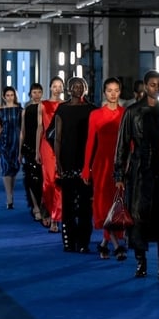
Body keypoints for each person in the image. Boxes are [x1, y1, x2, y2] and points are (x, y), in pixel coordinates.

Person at [114, 70, 159, 279]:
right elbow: (122, 145)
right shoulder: (132, 111)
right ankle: (141, 263)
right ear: (145, 85)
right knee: (138, 217)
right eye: (152, 84)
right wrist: (119, 175)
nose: (156, 88)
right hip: (140, 170)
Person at [82, 77, 127, 260]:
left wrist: (129, 165)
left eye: (116, 90)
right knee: (103, 205)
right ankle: (116, 246)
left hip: (119, 166)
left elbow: (130, 142)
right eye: (109, 90)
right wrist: (86, 168)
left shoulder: (125, 114)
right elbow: (90, 142)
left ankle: (104, 244)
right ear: (104, 92)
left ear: (120, 92)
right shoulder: (96, 115)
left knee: (116, 204)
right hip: (101, 164)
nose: (113, 94)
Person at [54, 77, 96, 253]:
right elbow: (57, 137)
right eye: (75, 86)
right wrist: (57, 161)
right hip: (67, 159)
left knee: (85, 204)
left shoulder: (92, 109)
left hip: (86, 160)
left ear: (86, 89)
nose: (78, 89)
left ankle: (84, 242)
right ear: (69, 89)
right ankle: (68, 241)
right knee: (68, 203)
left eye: (81, 86)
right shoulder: (62, 109)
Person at [36, 77, 63, 232]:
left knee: (59, 180)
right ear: (50, 88)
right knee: (48, 181)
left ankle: (55, 218)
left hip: (61, 146)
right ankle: (48, 211)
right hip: (46, 146)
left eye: (60, 86)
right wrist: (37, 150)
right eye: (54, 86)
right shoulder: (43, 104)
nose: (57, 89)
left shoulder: (65, 105)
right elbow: (40, 128)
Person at [20, 83, 46, 223]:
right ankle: (35, 207)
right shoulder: (26, 110)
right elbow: (22, 132)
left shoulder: (45, 108)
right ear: (30, 94)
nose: (37, 95)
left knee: (42, 178)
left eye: (39, 92)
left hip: (44, 146)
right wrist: (20, 151)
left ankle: (42, 206)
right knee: (30, 178)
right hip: (29, 146)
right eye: (34, 92)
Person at [0, 86, 22, 209]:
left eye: (12, 95)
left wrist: (21, 145)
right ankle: (9, 197)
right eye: (8, 95)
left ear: (14, 96)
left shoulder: (20, 110)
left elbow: (22, 129)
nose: (10, 97)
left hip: (16, 142)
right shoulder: (0, 111)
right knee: (5, 168)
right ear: (4, 97)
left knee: (14, 168)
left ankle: (11, 193)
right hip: (4, 142)